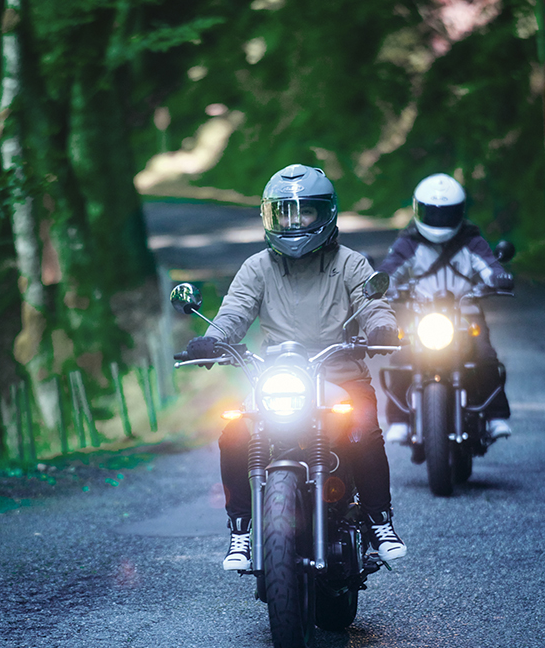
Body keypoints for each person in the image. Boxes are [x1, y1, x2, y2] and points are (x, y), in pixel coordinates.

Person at [184, 163, 407, 570]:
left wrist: (382, 328)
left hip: (339, 373)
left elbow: (372, 304)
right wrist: (213, 340)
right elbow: (234, 311)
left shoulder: (351, 263)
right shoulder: (258, 267)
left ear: (326, 214)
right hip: (278, 377)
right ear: (269, 217)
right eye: (284, 212)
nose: (295, 221)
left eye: (305, 211)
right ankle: (240, 528)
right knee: (235, 432)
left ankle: (379, 520)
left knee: (364, 431)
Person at [379, 173, 513, 445]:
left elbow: (489, 265)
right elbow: (390, 268)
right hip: (421, 316)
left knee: (485, 357)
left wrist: (499, 277)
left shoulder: (471, 241)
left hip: (466, 314)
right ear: (418, 209)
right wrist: (381, 283)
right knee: (402, 358)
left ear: (459, 212)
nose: (439, 220)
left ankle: (497, 415)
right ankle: (399, 419)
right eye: (432, 213)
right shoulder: (409, 242)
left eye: (446, 213)